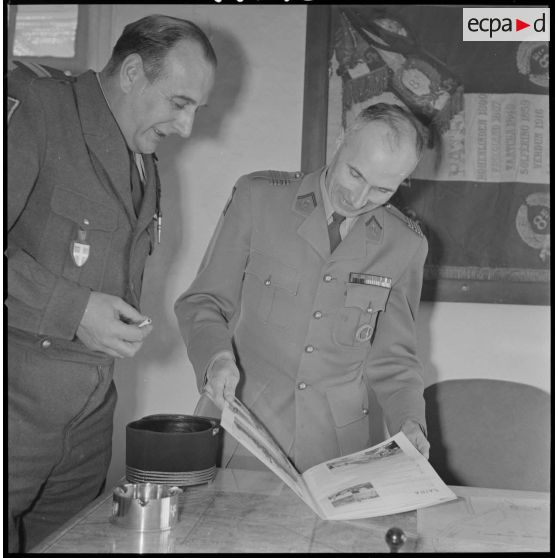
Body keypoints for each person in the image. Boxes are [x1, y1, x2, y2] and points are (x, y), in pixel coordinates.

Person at [7, 14, 216, 553]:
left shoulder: (141, 159)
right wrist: (73, 309)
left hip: (88, 419)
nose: (187, 127)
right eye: (179, 102)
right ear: (130, 72)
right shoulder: (35, 108)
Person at [174, 103, 430, 474]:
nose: (358, 199)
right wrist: (216, 359)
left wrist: (410, 422)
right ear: (340, 141)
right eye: (355, 174)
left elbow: (395, 360)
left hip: (337, 451)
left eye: (381, 190)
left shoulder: (404, 245)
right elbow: (203, 302)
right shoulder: (258, 198)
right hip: (243, 429)